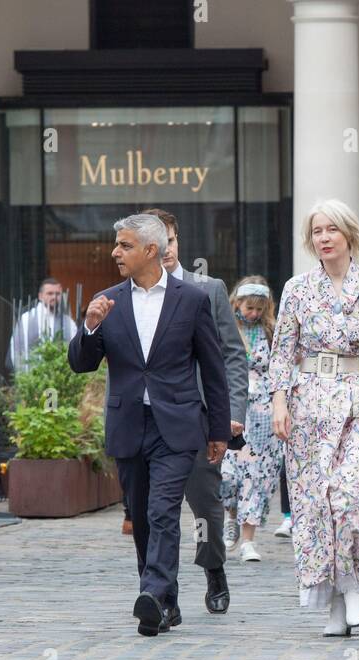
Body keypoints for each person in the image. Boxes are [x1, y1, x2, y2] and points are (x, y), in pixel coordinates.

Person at [68, 213, 231, 637]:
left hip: (176, 424)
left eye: (123, 245)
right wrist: (89, 327)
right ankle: (166, 601)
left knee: (162, 511)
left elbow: (214, 369)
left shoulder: (191, 300)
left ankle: (154, 594)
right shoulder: (108, 301)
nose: (114, 252)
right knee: (140, 516)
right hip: (128, 423)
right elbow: (81, 364)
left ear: (150, 251)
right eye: (117, 245)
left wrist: (218, 431)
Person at [268, 199, 359, 637]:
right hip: (308, 404)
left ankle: (354, 590)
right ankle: (334, 603)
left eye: (331, 229)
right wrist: (278, 402)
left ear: (349, 234)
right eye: (316, 232)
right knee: (314, 506)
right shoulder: (297, 289)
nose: (324, 238)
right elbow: (282, 353)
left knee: (347, 495)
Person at [132, 208, 249, 612]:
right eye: (155, 242)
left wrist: (232, 412)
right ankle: (164, 592)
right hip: (149, 421)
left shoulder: (208, 289)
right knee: (155, 511)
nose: (164, 249)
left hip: (199, 420)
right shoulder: (131, 292)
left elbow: (232, 356)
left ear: (178, 242)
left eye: (171, 240)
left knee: (204, 506)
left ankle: (213, 566)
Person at [221, 277, 282, 562]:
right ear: (237, 303)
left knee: (257, 477)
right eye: (249, 307)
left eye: (260, 308)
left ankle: (248, 540)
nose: (254, 313)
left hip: (263, 413)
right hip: (233, 407)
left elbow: (281, 371)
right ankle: (230, 517)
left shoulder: (270, 331)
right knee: (229, 474)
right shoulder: (226, 329)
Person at [8, 278, 77, 371]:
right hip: (33, 378)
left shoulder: (69, 322)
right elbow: (17, 350)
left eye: (57, 294)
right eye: (50, 293)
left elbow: (74, 350)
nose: (54, 297)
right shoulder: (27, 319)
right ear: (40, 296)